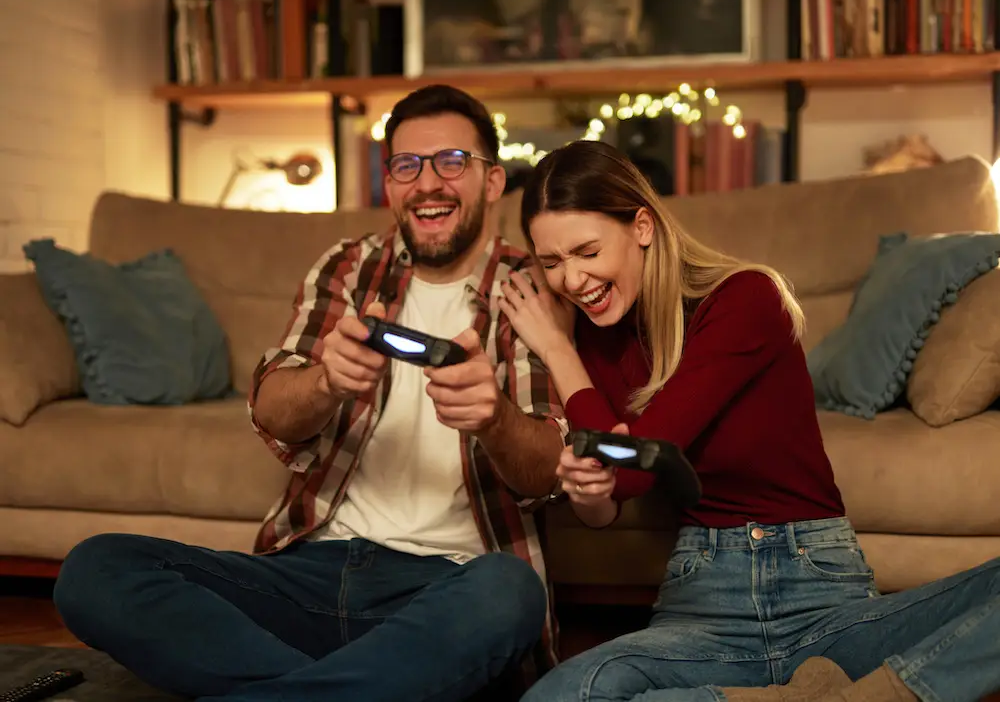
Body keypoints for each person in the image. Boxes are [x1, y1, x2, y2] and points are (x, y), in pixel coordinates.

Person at [51, 85, 570, 702]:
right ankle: (361, 689)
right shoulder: (349, 267)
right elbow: (272, 408)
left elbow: (547, 473)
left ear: (492, 182)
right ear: (389, 183)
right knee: (96, 569)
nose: (427, 182)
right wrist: (325, 382)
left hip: (448, 590)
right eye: (407, 165)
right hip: (309, 573)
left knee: (511, 592)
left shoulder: (530, 288)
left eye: (451, 161)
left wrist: (495, 419)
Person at [499, 139, 1000, 702]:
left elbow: (639, 462)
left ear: (642, 225)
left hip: (818, 594)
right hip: (704, 605)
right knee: (562, 694)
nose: (570, 281)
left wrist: (560, 355)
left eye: (586, 252)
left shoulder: (744, 298)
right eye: (551, 263)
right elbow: (606, 504)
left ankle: (882, 694)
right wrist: (586, 484)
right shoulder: (594, 338)